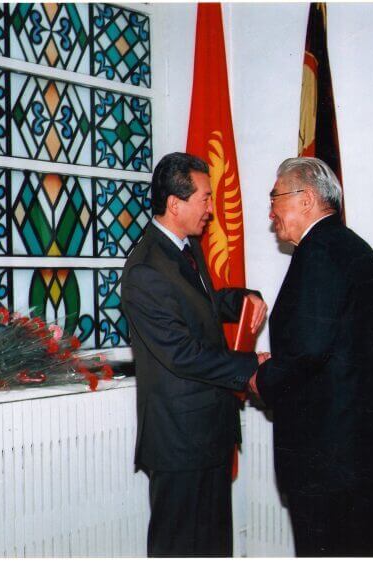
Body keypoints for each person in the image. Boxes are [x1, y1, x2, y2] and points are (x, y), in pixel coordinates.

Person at [249, 157, 373, 556]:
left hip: (325, 460)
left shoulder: (319, 252)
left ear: (306, 199)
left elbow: (309, 348)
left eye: (275, 198)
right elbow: (330, 346)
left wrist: (263, 377)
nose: (271, 212)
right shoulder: (351, 248)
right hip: (354, 455)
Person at [120, 152, 268, 557]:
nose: (211, 209)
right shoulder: (146, 269)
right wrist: (250, 366)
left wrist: (242, 299)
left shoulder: (186, 248)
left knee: (214, 548)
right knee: (179, 549)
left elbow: (202, 304)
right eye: (205, 198)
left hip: (209, 432)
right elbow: (181, 353)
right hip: (179, 441)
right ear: (175, 203)